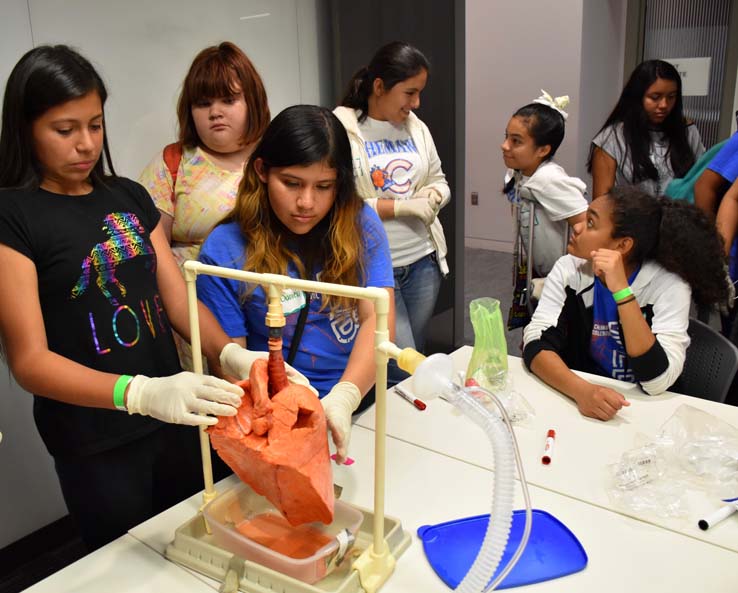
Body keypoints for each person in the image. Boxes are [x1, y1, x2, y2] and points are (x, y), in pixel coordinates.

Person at [0, 45, 282, 550]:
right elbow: (30, 361)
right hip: (97, 439)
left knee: (201, 541)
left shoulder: (127, 196)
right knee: (129, 564)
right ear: (26, 129)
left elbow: (176, 300)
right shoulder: (13, 217)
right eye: (65, 130)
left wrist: (229, 354)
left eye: (95, 124)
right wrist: (138, 393)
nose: (85, 144)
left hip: (175, 417)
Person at [196, 104, 394, 464]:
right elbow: (231, 364)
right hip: (276, 419)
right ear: (262, 171)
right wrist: (284, 419)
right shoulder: (224, 250)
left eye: (324, 187)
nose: (307, 202)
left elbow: (378, 319)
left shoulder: (360, 222)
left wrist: (346, 396)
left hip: (358, 398)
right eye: (291, 183)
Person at [523, 187, 728, 421]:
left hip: (650, 411)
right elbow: (535, 343)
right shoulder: (571, 268)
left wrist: (622, 292)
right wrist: (582, 390)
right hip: (590, 396)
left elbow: (656, 381)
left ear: (622, 245)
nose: (577, 227)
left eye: (590, 223)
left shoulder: (669, 284)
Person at [139, 41, 270, 370]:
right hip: (190, 318)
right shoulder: (174, 162)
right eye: (204, 102)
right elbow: (152, 252)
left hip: (267, 309)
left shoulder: (276, 158)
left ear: (251, 101)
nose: (216, 112)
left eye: (229, 99)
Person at [333, 41, 449, 380]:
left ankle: (408, 423)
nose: (416, 104)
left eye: (419, 94)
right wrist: (400, 207)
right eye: (409, 93)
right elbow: (341, 202)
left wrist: (434, 195)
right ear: (379, 86)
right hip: (375, 266)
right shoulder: (341, 128)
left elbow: (439, 179)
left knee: (413, 351)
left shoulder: (416, 127)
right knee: (400, 362)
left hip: (423, 260)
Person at [501, 91, 588, 279]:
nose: (505, 146)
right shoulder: (517, 173)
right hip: (537, 266)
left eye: (516, 141)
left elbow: (586, 222)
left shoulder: (550, 179)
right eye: (506, 137)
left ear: (543, 149)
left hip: (561, 277)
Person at [588, 60, 704, 198]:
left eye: (671, 97)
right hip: (630, 218)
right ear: (637, 97)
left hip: (678, 217)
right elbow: (602, 203)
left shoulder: (687, 131)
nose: (664, 105)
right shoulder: (611, 139)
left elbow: (701, 183)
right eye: (655, 97)